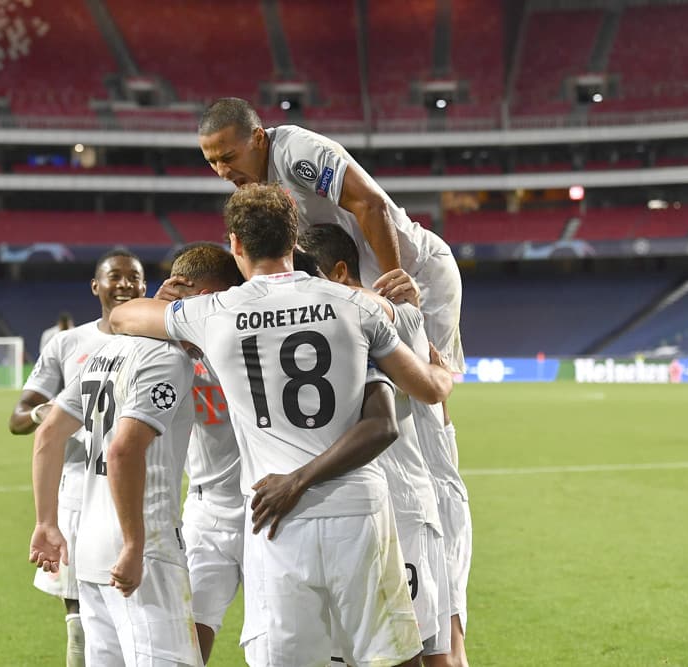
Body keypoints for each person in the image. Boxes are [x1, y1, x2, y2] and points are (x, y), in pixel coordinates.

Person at [110, 183, 454, 666]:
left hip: (274, 518)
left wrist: (166, 298)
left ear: (235, 243)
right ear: (294, 241)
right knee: (394, 657)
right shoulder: (354, 305)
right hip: (360, 508)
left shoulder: (213, 313)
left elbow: (123, 317)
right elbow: (430, 390)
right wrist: (441, 368)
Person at [195, 97, 466, 381]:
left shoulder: (295, 153)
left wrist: (393, 279)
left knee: (424, 393)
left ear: (258, 138)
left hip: (415, 271)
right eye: (212, 162)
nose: (222, 172)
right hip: (366, 289)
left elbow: (370, 204)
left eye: (228, 157)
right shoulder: (255, 186)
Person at [301, 224, 471, 667]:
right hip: (356, 508)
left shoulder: (389, 318)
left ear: (338, 273)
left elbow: (433, 391)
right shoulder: (335, 323)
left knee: (434, 650)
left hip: (408, 505)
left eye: (306, 275)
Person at [28, 319, 203, 665]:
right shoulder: (167, 357)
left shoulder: (102, 354)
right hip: (143, 544)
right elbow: (123, 451)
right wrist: (135, 544)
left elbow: (48, 433)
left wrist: (46, 522)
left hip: (89, 546)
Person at [8, 248, 147, 667]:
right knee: (81, 624)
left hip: (140, 489)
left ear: (145, 285)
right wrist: (42, 413)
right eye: (115, 277)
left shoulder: (156, 340)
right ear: (96, 286)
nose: (125, 284)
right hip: (79, 489)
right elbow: (17, 418)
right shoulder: (69, 344)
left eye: (134, 277)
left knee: (135, 615)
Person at [155, 243, 247, 663]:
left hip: (270, 509)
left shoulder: (252, 336)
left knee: (284, 639)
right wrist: (157, 316)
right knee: (186, 638)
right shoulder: (163, 349)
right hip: (206, 514)